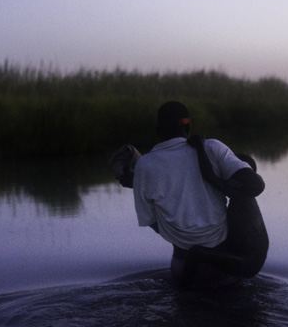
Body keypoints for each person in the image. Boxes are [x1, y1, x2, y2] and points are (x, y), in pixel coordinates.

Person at [110, 101, 269, 288]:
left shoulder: (145, 166)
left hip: (183, 268)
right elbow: (252, 184)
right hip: (226, 265)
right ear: (188, 126)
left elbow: (153, 223)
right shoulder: (212, 148)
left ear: (158, 130)